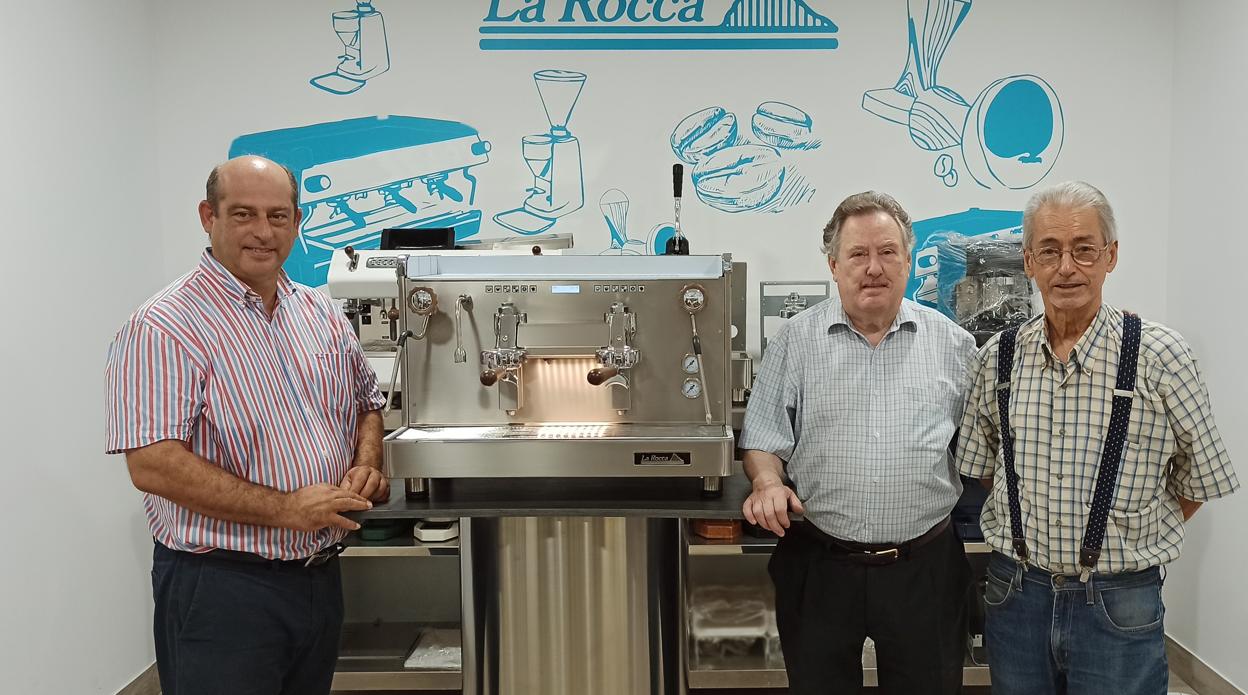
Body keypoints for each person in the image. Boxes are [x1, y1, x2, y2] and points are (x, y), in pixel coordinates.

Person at [105, 155, 390, 695]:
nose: (264, 232)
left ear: (297, 223)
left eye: (279, 216)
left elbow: (366, 404)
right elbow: (153, 465)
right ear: (207, 216)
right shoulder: (164, 325)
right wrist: (286, 509)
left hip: (317, 579)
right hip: (222, 589)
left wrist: (366, 464)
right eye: (244, 214)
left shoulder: (318, 312)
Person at [956, 181, 1239, 695]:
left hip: (1120, 602)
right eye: (1050, 251)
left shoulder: (1162, 355)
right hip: (1015, 595)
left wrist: (1131, 534)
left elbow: (1200, 478)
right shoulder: (997, 357)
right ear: (1028, 263)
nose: (1067, 267)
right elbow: (981, 466)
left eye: (1084, 249)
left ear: (1110, 256)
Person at [740, 191, 977, 694]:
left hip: (925, 568)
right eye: (858, 254)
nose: (874, 268)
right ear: (833, 264)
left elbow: (981, 450)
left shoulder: (954, 345)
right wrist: (766, 481)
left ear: (908, 261)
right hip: (821, 564)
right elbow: (762, 437)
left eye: (888, 252)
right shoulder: (795, 341)